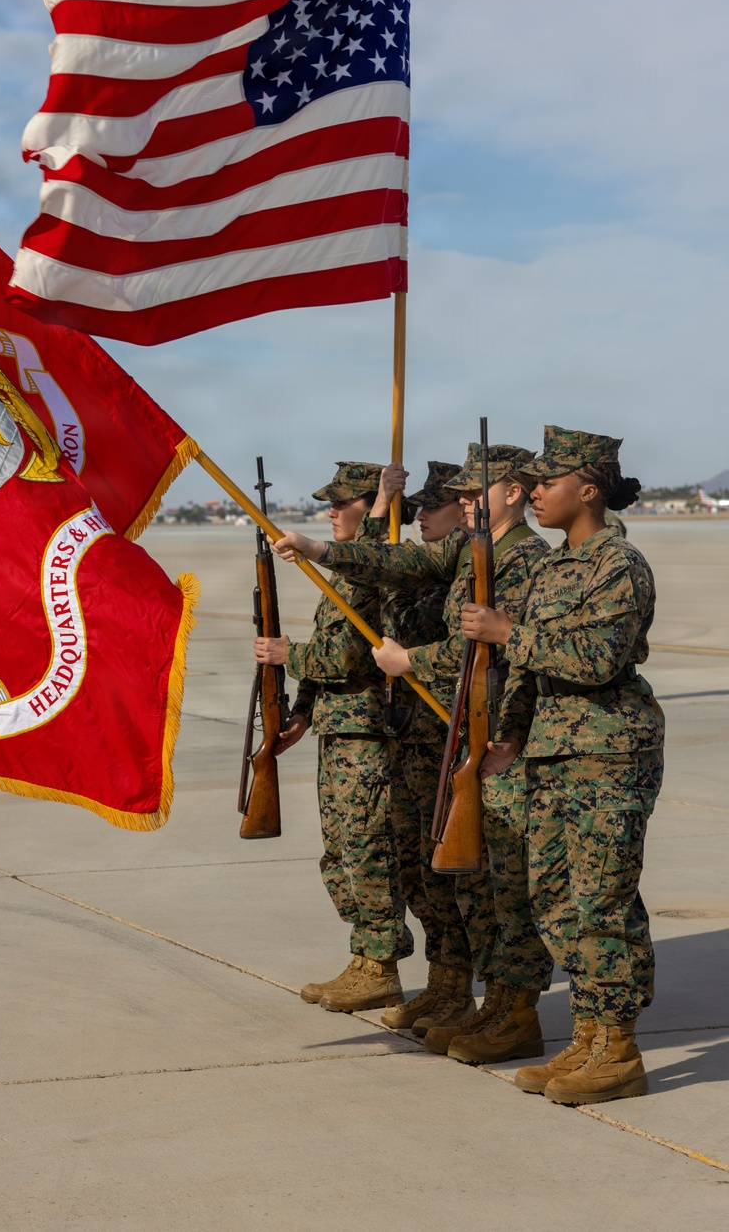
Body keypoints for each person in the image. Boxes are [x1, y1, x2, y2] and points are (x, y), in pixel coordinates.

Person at [272, 445, 555, 1061]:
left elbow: (482, 649)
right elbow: (395, 562)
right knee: (439, 877)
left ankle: (509, 1008)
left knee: (496, 884)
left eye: (475, 492)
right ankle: (463, 992)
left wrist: (410, 664)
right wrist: (323, 549)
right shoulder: (467, 551)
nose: (463, 502)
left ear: (512, 491)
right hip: (450, 735)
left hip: (495, 736)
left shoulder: (524, 559)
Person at [461, 427, 662, 1104]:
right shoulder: (549, 567)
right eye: (536, 479)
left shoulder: (618, 563)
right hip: (548, 749)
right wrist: (507, 735)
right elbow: (525, 665)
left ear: (591, 487)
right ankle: (585, 1033)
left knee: (602, 900)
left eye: (550, 480)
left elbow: (598, 658)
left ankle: (619, 1046)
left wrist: (505, 631)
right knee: (553, 899)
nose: (538, 490)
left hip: (608, 749)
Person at [254, 462, 411, 1012]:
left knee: (367, 849)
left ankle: (380, 964)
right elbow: (327, 657)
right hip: (337, 730)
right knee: (340, 852)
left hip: (366, 732)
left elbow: (345, 655)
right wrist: (300, 708)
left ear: (368, 507)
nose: (329, 511)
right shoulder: (345, 576)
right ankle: (365, 956)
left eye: (340, 502)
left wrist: (286, 655)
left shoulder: (371, 573)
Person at [367, 462, 477, 1033]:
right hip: (409, 738)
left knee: (448, 876)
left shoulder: (458, 563)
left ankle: (459, 988)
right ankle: (443, 983)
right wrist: (384, 507)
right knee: (416, 873)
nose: (420, 515)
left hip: (443, 740)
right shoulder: (427, 562)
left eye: (431, 506)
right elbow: (375, 568)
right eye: (417, 507)